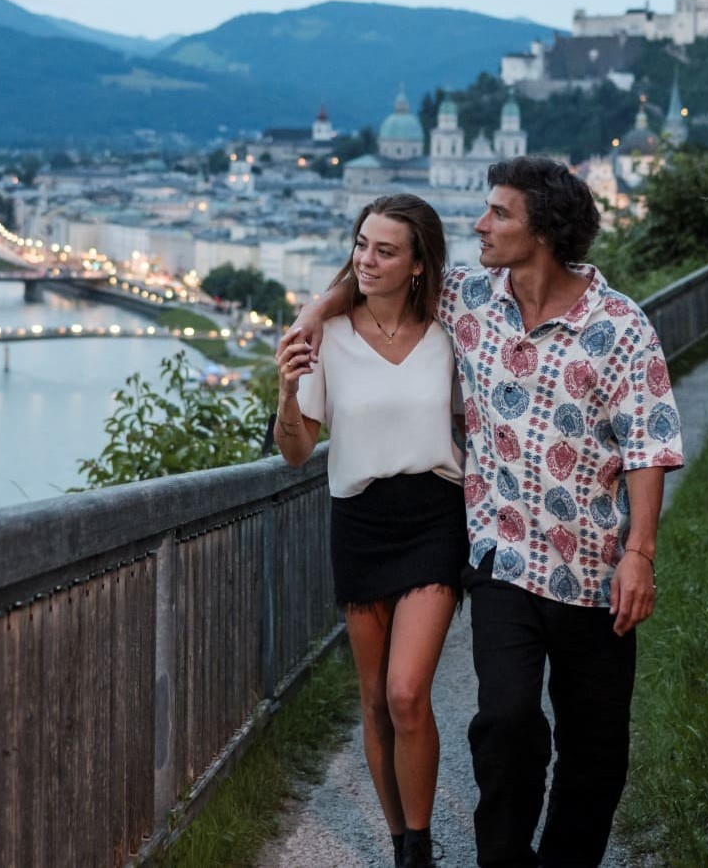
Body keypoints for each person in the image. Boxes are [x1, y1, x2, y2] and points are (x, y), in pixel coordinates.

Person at [284, 157, 683, 868]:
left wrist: (640, 552)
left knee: (595, 747)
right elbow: (385, 267)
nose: (479, 224)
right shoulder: (469, 299)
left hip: (592, 566)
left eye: (498, 213)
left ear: (546, 232)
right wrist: (316, 311)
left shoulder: (621, 327)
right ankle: (500, 857)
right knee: (503, 721)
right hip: (502, 559)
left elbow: (649, 442)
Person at [274, 193, 467, 868]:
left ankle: (419, 847)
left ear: (418, 264)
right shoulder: (328, 338)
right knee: (376, 701)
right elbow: (297, 451)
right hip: (358, 519)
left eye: (386, 249)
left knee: (406, 690)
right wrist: (285, 392)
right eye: (361, 245)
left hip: (435, 516)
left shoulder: (451, 331)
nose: (368, 258)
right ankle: (399, 841)